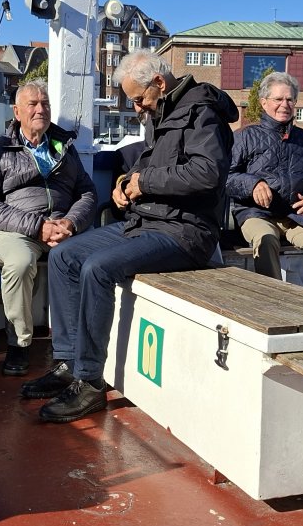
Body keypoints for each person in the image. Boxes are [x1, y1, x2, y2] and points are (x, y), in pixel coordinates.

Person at [24, 49, 238, 423]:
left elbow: (208, 174)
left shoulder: (203, 113)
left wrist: (145, 182)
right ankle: (69, 362)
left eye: (139, 99)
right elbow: (145, 163)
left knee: (97, 268)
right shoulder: (162, 112)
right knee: (64, 256)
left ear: (159, 82)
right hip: (148, 222)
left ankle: (90, 382)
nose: (138, 107)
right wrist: (125, 183)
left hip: (186, 232)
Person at [0, 80, 97, 376]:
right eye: (33, 104)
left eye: (45, 104)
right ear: (17, 112)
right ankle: (19, 343)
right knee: (20, 264)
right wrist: (37, 226)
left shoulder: (64, 147)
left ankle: (78, 344)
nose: (41, 109)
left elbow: (87, 193)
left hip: (63, 227)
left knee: (96, 263)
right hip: (17, 228)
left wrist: (70, 222)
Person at [226, 71, 303, 296]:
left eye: (290, 99)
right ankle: (274, 303)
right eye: (278, 99)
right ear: (264, 102)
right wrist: (253, 184)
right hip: (256, 214)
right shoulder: (244, 137)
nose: (285, 105)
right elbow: (226, 177)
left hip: (296, 217)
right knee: (266, 240)